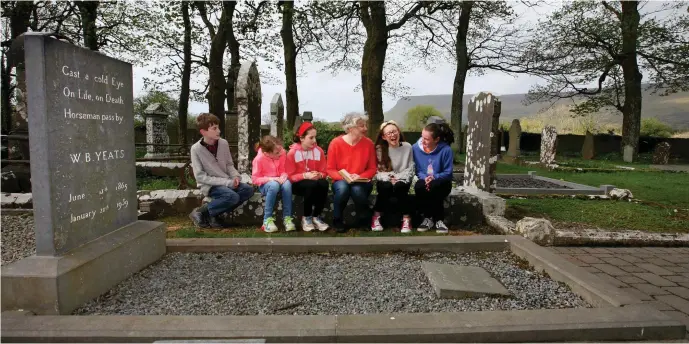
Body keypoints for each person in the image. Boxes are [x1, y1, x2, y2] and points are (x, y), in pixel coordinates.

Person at [189, 113, 253, 229]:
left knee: (247, 190)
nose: (218, 131)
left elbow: (229, 164)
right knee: (232, 196)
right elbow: (200, 177)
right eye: (214, 128)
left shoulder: (223, 143)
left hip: (226, 181)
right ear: (203, 132)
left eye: (218, 127)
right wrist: (227, 182)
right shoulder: (195, 149)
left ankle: (212, 214)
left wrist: (235, 177)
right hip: (209, 185)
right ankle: (201, 212)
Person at [326, 113, 377, 233]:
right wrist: (345, 177)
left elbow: (372, 168)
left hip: (361, 181)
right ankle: (337, 220)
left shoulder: (368, 144)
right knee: (343, 189)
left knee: (357, 190)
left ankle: (364, 221)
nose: (365, 128)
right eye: (361, 126)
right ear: (350, 129)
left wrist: (360, 176)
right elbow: (330, 169)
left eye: (365, 125)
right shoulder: (336, 143)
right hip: (341, 180)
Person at [285, 122, 330, 232]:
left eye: (315, 137)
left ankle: (316, 216)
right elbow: (290, 176)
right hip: (298, 184)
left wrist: (319, 174)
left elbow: (324, 171)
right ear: (301, 138)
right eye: (311, 137)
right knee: (311, 184)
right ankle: (307, 217)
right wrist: (305, 175)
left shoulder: (318, 151)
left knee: (324, 183)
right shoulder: (292, 153)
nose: (314, 141)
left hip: (314, 180)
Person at [371, 120, 414, 233]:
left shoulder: (407, 147)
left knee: (400, 187)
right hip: (385, 177)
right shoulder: (380, 149)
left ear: (398, 132)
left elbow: (410, 168)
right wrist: (390, 177)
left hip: (403, 177)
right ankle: (376, 217)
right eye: (389, 133)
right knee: (386, 187)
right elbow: (379, 170)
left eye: (394, 131)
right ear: (384, 137)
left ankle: (406, 219)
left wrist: (399, 178)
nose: (392, 135)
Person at [412, 122, 455, 233]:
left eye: (426, 139)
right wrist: (425, 178)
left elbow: (448, 172)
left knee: (435, 186)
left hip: (442, 181)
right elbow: (417, 170)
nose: (423, 141)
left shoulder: (446, 150)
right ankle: (428, 218)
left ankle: (438, 219)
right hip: (423, 179)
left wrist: (434, 177)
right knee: (419, 187)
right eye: (422, 137)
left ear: (436, 140)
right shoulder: (415, 149)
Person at [251, 135, 295, 233]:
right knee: (274, 185)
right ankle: (267, 220)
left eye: (280, 150)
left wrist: (284, 175)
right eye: (277, 152)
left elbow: (284, 169)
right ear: (267, 153)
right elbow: (255, 179)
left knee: (287, 184)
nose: (280, 153)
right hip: (266, 184)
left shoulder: (282, 152)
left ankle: (287, 218)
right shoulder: (259, 159)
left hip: (279, 180)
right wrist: (272, 179)